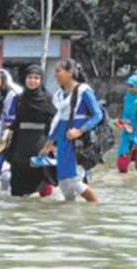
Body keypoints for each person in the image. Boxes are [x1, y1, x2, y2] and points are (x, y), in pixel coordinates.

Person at [41, 59, 102, 203]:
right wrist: (49, 143)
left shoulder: (83, 91)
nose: (55, 75)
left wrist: (80, 130)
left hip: (78, 143)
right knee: (64, 183)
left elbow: (97, 115)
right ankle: (70, 212)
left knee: (75, 181)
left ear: (69, 73)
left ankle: (96, 206)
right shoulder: (59, 95)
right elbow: (59, 121)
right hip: (63, 142)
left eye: (58, 71)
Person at [5, 65, 55, 197]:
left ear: (41, 80)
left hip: (40, 142)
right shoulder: (19, 99)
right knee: (18, 177)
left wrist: (52, 145)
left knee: (41, 175)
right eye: (30, 77)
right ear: (25, 79)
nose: (32, 81)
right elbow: (13, 121)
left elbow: (54, 123)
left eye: (36, 78)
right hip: (20, 142)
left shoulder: (49, 99)